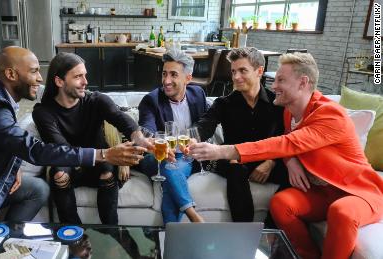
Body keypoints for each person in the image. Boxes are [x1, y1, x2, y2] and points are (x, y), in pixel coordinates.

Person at [0, 46, 146, 259]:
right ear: (11, 74)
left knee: (37, 189)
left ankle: (1, 241)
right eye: (34, 71)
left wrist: (13, 166)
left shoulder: (3, 101)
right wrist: (103, 155)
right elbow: (33, 149)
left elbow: (3, 142)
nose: (40, 78)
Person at [189, 52, 383, 259]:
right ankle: (304, 256)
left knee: (341, 212)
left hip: (357, 192)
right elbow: (288, 141)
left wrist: (220, 150)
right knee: (281, 203)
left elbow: (287, 142)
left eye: (281, 80)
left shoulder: (330, 114)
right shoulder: (289, 110)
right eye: (233, 71)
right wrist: (291, 161)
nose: (273, 86)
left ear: (303, 83)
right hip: (321, 192)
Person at [33, 52, 151, 225]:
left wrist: (140, 139)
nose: (85, 82)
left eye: (85, 75)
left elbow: (122, 119)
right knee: (59, 173)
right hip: (69, 162)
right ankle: (74, 233)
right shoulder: (43, 112)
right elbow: (61, 148)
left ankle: (111, 229)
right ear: (59, 81)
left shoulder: (96, 100)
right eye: (78, 76)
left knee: (107, 171)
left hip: (101, 162)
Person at [194, 47, 289, 224]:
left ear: (259, 71)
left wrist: (270, 162)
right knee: (235, 169)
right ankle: (243, 232)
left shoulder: (277, 104)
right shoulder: (224, 103)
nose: (236, 77)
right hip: (234, 161)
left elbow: (285, 138)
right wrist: (192, 137)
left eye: (243, 71)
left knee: (296, 174)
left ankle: (270, 232)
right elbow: (204, 126)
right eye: (233, 71)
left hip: (266, 160)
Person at [138, 48, 208, 223]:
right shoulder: (151, 100)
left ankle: (168, 239)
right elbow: (147, 128)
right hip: (156, 157)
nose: (166, 81)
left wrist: (195, 141)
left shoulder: (198, 94)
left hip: (185, 157)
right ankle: (193, 215)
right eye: (164, 74)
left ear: (188, 79)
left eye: (174, 75)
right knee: (170, 167)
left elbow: (205, 125)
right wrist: (152, 141)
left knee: (171, 185)